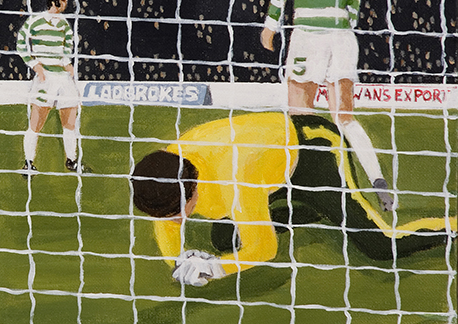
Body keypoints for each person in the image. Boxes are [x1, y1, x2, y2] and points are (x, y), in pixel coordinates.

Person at [131, 112, 456, 288]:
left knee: (379, 246)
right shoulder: (166, 169)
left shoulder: (234, 177)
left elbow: (263, 249)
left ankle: (452, 224)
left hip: (312, 152)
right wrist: (178, 262)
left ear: (193, 190)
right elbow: (164, 220)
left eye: (179, 213)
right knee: (225, 239)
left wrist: (214, 268)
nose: (175, 222)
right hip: (269, 169)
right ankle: (310, 210)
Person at [260, 0, 394, 212]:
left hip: (309, 35)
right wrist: (342, 27)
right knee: (345, 118)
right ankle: (378, 182)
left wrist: (270, 26)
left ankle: (304, 188)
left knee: (300, 115)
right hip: (343, 38)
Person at [16, 0, 84, 175]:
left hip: (63, 78)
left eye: (66, 1)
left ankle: (71, 160)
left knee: (70, 120)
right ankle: (28, 163)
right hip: (45, 78)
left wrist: (67, 64)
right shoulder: (35, 21)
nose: (65, 4)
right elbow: (21, 43)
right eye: (62, 0)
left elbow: (66, 50)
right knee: (36, 122)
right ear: (53, 0)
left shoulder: (64, 25)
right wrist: (35, 64)